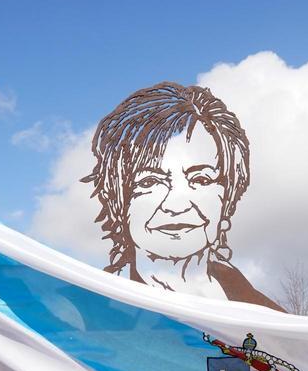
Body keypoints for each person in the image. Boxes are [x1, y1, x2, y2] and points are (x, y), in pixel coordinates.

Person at [82, 82, 277, 306]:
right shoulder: (86, 315)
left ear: (228, 197)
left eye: (201, 179)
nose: (176, 205)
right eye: (150, 181)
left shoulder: (272, 325)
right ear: (117, 200)